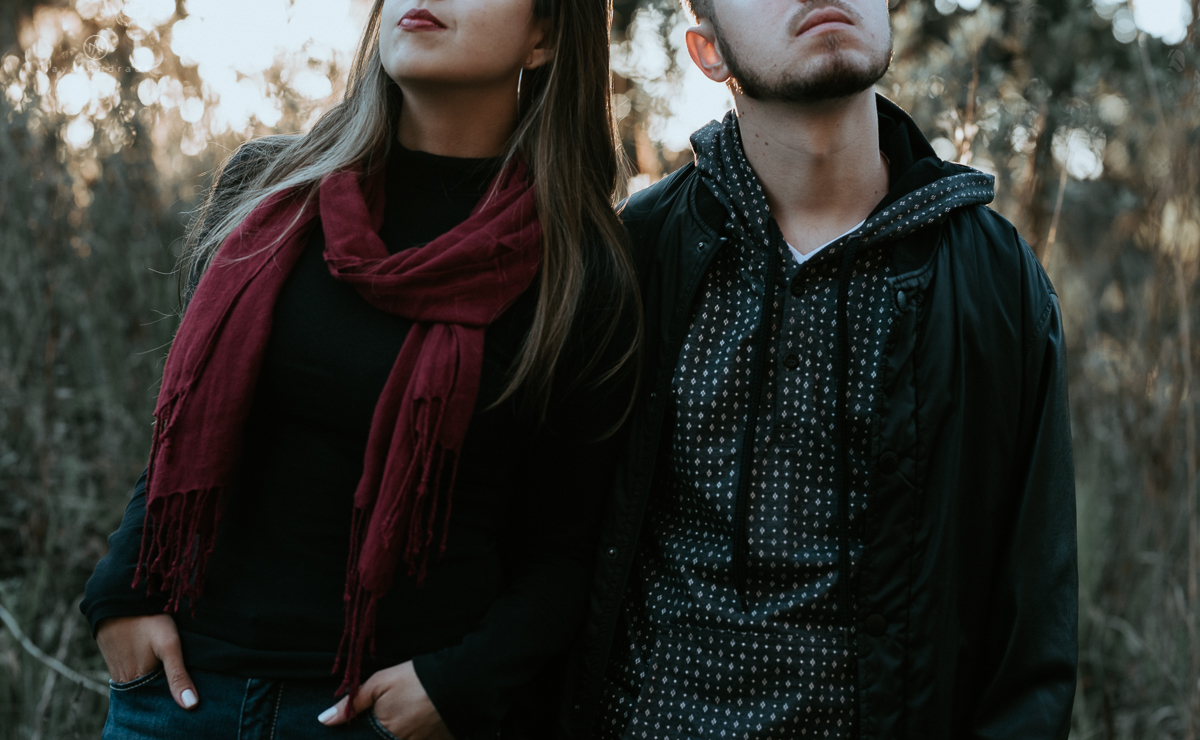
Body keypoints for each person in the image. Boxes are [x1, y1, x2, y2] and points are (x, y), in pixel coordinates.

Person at [80, 0, 639, 738]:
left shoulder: (578, 268)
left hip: (382, 713)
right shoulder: (268, 187)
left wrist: (454, 685)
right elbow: (183, 431)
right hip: (181, 698)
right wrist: (120, 597)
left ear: (544, 37)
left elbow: (566, 551)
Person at [567, 0, 1078, 737]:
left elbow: (1034, 622)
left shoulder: (992, 279)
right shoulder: (636, 255)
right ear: (708, 53)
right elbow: (553, 557)